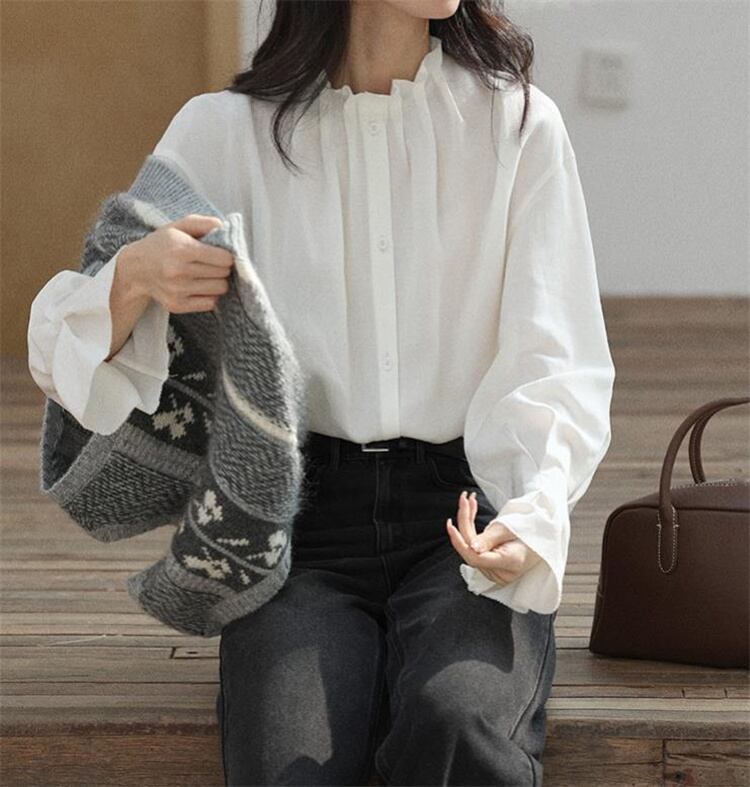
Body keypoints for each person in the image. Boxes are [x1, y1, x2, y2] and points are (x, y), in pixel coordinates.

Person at [27, 0, 616, 784]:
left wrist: (534, 510)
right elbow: (59, 350)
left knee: (459, 721)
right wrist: (134, 276)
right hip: (296, 529)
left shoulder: (517, 126)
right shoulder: (223, 133)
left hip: (467, 514)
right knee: (287, 763)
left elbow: (556, 356)